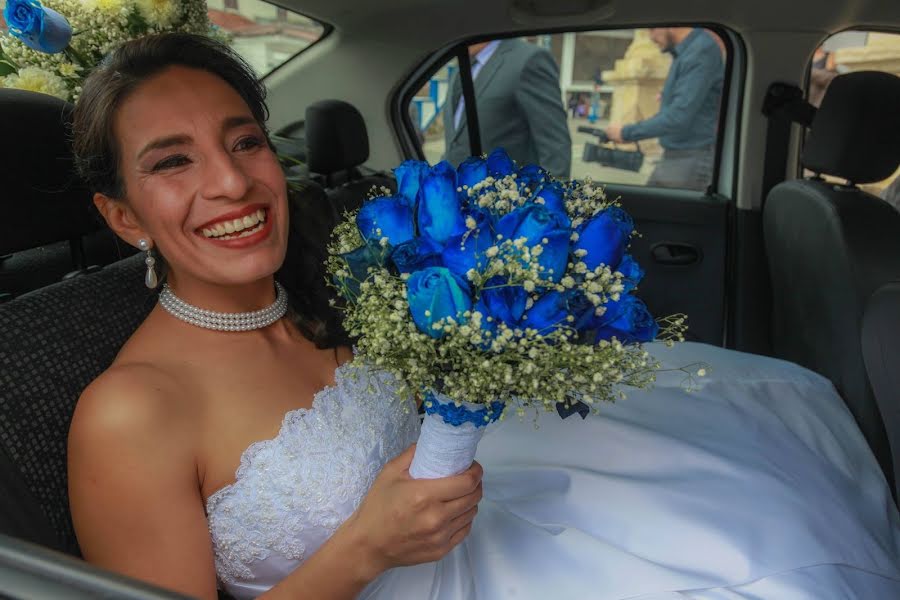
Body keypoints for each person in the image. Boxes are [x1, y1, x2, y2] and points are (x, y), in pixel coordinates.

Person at [68, 33, 900, 600]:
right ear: (124, 217)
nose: (231, 183)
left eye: (244, 142)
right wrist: (366, 548)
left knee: (746, 505)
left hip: (486, 534)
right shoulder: (131, 412)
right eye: (173, 163)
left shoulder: (330, 296)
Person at [605, 28, 724, 191]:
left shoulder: (700, 51)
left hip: (690, 157)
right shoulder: (686, 52)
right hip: (677, 155)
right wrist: (669, 95)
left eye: (652, 29)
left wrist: (626, 133)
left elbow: (678, 117)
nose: (651, 37)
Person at [443, 39, 572, 178]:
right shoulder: (460, 66)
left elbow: (555, 147)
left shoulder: (528, 60)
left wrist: (549, 197)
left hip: (504, 195)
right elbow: (455, 145)